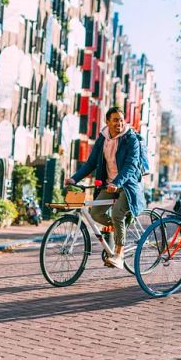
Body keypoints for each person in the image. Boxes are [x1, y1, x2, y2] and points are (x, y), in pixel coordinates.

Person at [64, 107, 145, 269]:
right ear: (107, 122)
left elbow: (130, 165)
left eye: (121, 120)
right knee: (96, 213)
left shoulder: (131, 139)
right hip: (109, 186)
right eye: (115, 120)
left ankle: (119, 255)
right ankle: (119, 230)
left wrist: (118, 183)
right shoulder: (103, 138)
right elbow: (91, 163)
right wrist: (74, 178)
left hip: (127, 186)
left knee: (117, 213)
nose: (119, 123)